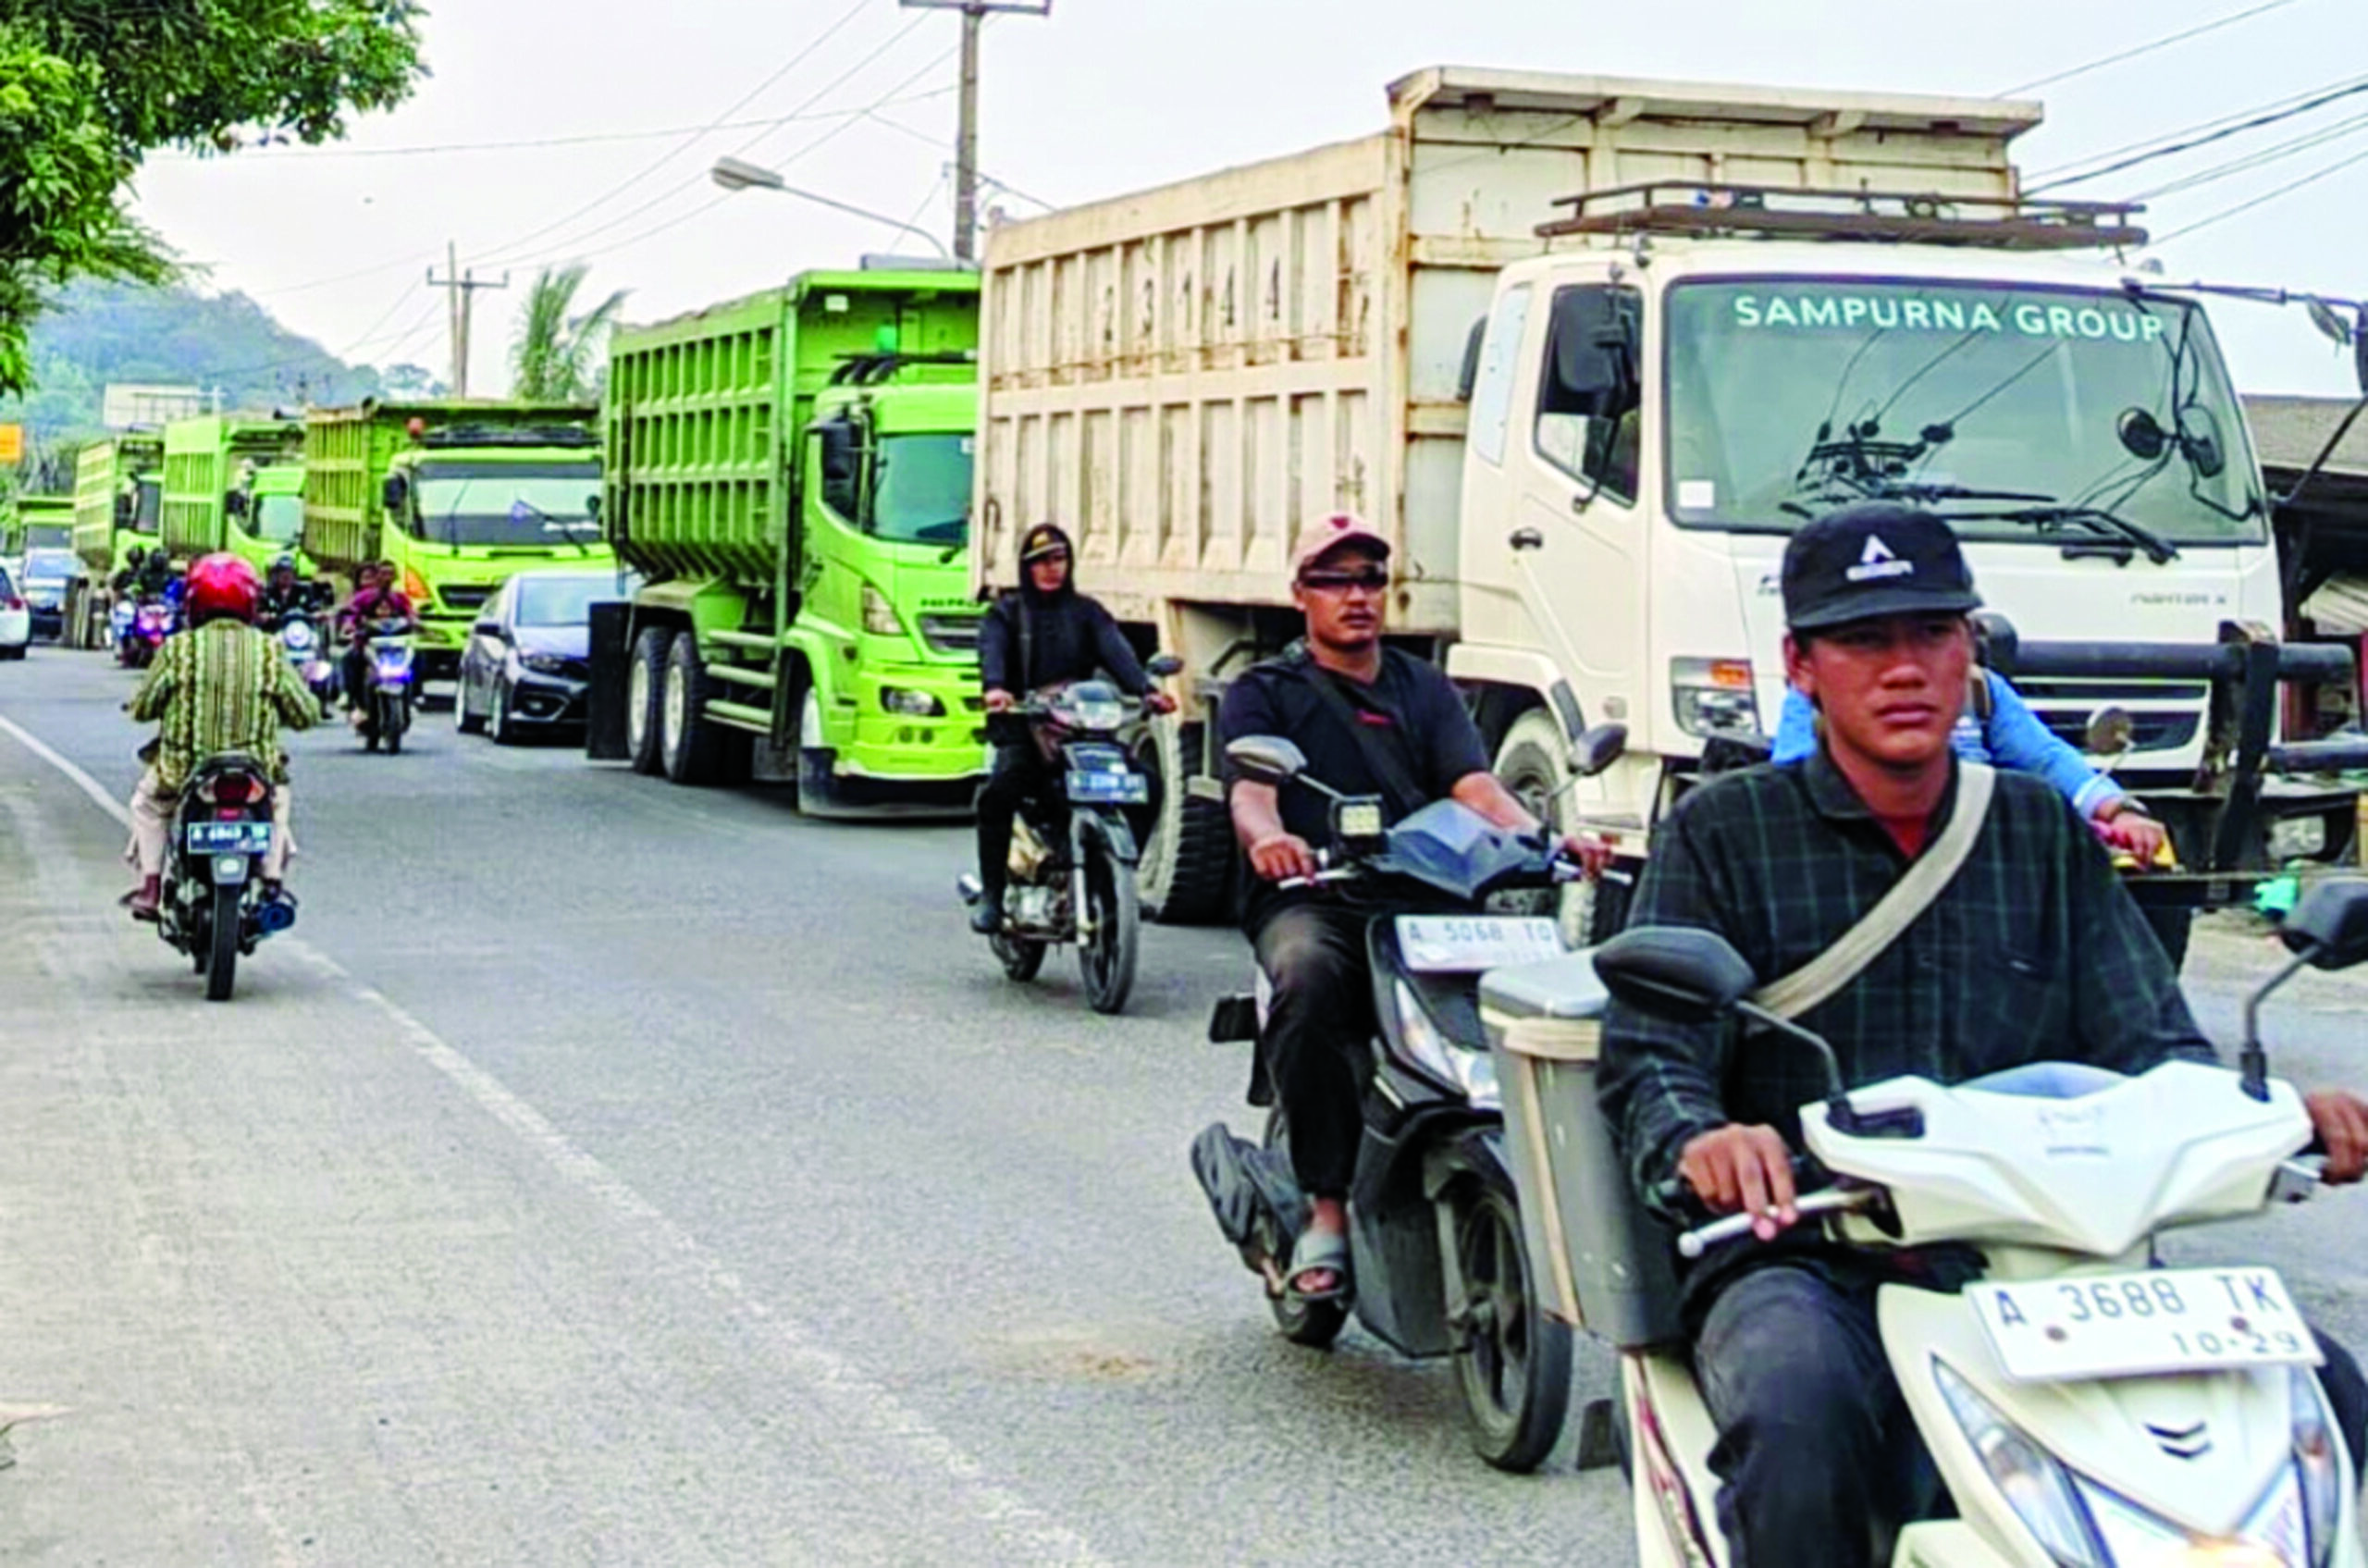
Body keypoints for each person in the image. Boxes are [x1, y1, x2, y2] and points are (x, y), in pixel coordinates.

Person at [1596, 501, 2368, 1568]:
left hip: (2056, 1260)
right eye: (1863, 641)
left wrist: (2271, 1118)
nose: (1902, 669)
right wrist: (1705, 1140)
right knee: (1796, 1416)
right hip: (1819, 1258)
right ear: (1801, 665)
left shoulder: (2036, 829)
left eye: (1930, 633)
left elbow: (2153, 1042)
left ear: (1970, 651)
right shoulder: (1721, 831)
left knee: (2318, 1394)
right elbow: (1650, 1052)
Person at [1217, 512, 1607, 1301]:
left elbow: (1475, 787)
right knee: (1306, 974)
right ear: (1301, 594)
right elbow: (1252, 793)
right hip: (1317, 897)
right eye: (1334, 580)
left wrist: (1546, 838)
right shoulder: (1265, 692)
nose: (1356, 595)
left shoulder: (1424, 688)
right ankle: (1326, 1209)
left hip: (1426, 896)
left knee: (1539, 993)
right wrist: (1272, 840)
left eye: (1369, 578)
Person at [971, 523, 1175, 934]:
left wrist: (1146, 690)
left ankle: (1118, 879)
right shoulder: (1007, 614)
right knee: (1000, 791)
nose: (1051, 569)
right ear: (1026, 568)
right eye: (1041, 561)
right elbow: (992, 650)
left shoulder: (1087, 613)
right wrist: (996, 688)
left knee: (1147, 786)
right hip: (1027, 729)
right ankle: (992, 895)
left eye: (1059, 559)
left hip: (1081, 731)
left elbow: (1116, 651)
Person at [122, 554, 320, 918]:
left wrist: (145, 705)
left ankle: (151, 887)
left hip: (184, 772)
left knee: (148, 805)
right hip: (255, 771)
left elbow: (144, 707)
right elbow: (306, 714)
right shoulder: (270, 650)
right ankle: (272, 882)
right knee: (277, 803)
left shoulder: (178, 649)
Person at [337, 562, 417, 720]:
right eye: (383, 573)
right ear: (377, 576)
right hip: (368, 645)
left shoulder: (400, 598)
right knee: (351, 658)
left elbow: (410, 614)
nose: (387, 577)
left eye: (390, 573)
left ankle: (415, 696)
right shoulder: (364, 597)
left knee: (418, 657)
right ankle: (351, 697)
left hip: (396, 647)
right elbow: (351, 614)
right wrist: (349, 625)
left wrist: (415, 622)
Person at [258, 555, 325, 626]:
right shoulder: (267, 592)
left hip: (302, 628)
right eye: (282, 572)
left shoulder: (305, 590)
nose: (286, 576)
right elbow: (260, 613)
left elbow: (315, 609)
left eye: (289, 572)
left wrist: (316, 615)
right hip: (276, 630)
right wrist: (266, 617)